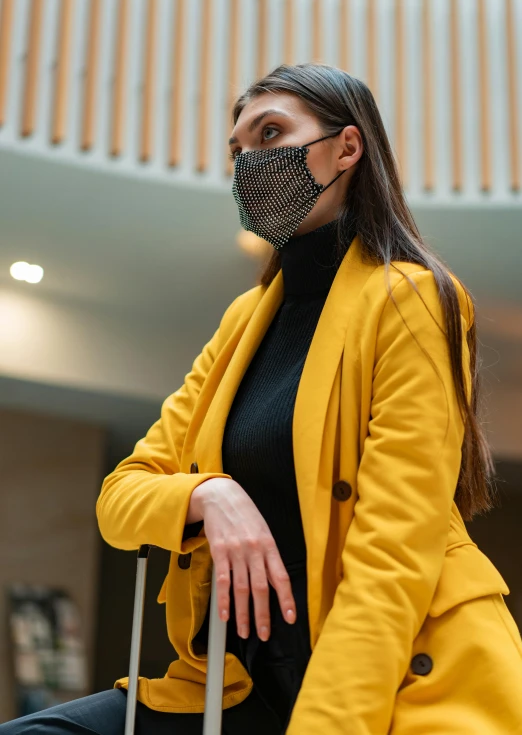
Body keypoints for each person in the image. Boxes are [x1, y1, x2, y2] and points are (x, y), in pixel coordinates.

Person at [4, 63, 522, 734]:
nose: (250, 160)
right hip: (237, 684)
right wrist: (205, 494)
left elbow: (393, 554)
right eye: (237, 149)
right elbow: (121, 496)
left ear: (347, 147)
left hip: (390, 682)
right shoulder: (244, 320)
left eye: (271, 132)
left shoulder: (412, 298)